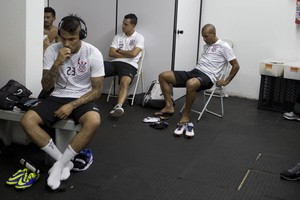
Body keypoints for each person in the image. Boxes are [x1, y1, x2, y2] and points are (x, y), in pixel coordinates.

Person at [20, 14, 105, 190]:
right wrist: (57, 63)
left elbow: (97, 90)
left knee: (94, 121)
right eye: (63, 38)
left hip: (82, 96)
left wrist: (72, 105)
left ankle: (58, 165)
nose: (67, 44)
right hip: (57, 95)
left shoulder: (93, 53)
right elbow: (46, 85)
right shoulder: (52, 51)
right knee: (27, 121)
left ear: (81, 35)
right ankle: (64, 162)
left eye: (72, 39)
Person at [156, 24, 240, 137]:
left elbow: (236, 66)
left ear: (214, 34)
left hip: (208, 77)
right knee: (163, 76)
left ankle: (186, 115)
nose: (204, 39)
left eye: (206, 36)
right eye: (203, 37)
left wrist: (226, 81)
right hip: (195, 72)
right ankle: (169, 106)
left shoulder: (224, 46)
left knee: (191, 83)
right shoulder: (207, 45)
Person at [104, 13, 145, 117]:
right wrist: (127, 53)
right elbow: (111, 53)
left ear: (133, 25)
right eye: (123, 23)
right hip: (114, 63)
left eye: (126, 24)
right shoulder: (118, 36)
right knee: (96, 70)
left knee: (124, 82)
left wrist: (119, 50)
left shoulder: (139, 38)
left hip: (130, 65)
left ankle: (118, 106)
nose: (122, 26)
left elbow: (134, 54)